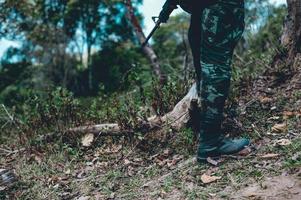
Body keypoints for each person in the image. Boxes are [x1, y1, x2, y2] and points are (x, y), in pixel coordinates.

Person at [159, 0, 250, 163]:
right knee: (216, 68)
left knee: (206, 68)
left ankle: (206, 133)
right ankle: (210, 143)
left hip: (199, 7)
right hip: (217, 5)